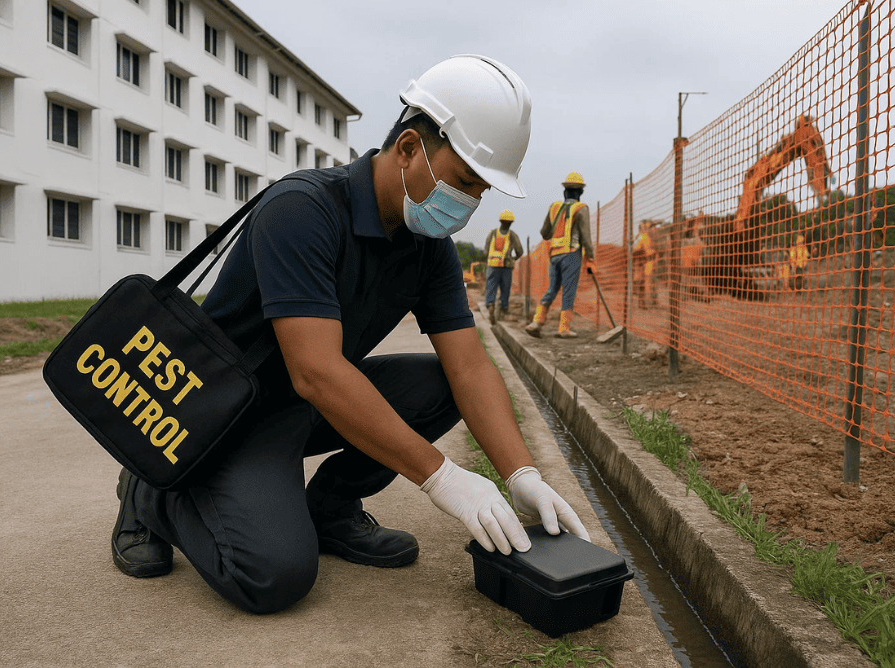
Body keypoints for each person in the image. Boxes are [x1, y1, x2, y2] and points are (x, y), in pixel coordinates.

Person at [110, 55, 591, 615]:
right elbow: (315, 371)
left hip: (307, 406)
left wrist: (520, 472)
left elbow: (469, 366)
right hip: (225, 416)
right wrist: (441, 478)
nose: (469, 204)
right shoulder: (302, 209)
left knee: (441, 385)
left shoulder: (427, 247)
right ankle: (152, 491)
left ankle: (331, 509)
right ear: (409, 148)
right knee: (271, 575)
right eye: (464, 182)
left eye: (480, 190)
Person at [524, 172, 595, 338]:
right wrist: (591, 258)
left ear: (565, 192)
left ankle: (537, 322)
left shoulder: (554, 208)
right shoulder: (581, 208)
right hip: (571, 254)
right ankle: (564, 329)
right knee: (568, 291)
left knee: (551, 289)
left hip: (554, 255)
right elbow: (586, 237)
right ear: (581, 193)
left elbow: (545, 233)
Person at [483, 210, 524, 324]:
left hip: (492, 265)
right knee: (505, 289)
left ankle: (491, 306)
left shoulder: (492, 233)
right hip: (506, 266)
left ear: (500, 221)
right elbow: (520, 251)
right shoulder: (512, 235)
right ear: (510, 223)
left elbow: (485, 251)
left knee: (491, 288)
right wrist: (513, 258)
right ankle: (503, 309)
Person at [632, 220, 659, 308]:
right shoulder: (643, 237)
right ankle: (644, 302)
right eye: (649, 227)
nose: (651, 229)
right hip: (644, 262)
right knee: (645, 283)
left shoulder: (651, 238)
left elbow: (656, 250)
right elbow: (637, 250)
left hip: (649, 262)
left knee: (649, 283)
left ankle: (650, 301)